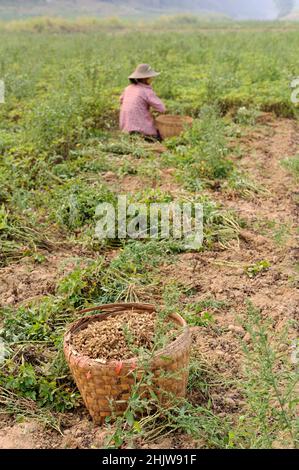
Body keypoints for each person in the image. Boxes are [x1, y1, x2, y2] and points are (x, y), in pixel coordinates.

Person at [119, 64, 166, 141]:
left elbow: (121, 100)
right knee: (161, 139)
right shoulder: (146, 91)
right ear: (146, 78)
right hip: (141, 130)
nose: (152, 79)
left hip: (126, 128)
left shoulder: (128, 88)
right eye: (151, 77)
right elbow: (162, 108)